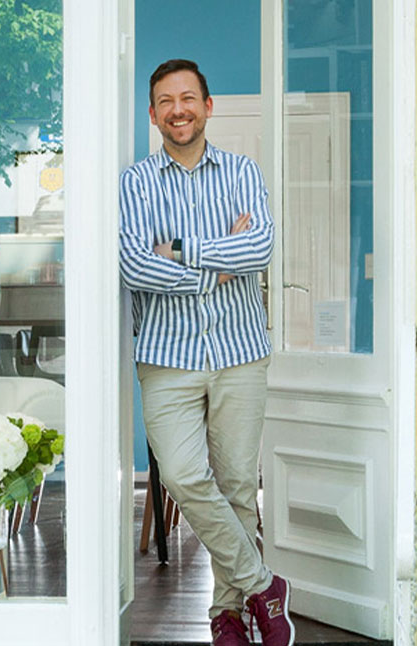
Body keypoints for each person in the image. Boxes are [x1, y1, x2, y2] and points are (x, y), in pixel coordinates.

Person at [119, 59, 294, 646]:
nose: (178, 110)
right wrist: (212, 270)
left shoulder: (242, 170)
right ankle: (263, 586)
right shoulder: (135, 182)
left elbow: (261, 245)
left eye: (188, 98)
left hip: (240, 351)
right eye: (165, 101)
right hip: (167, 356)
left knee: (240, 486)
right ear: (153, 114)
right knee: (184, 474)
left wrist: (182, 250)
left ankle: (227, 615)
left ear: (208, 105)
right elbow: (135, 264)